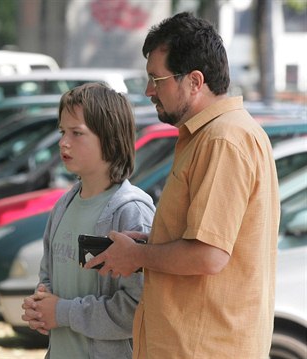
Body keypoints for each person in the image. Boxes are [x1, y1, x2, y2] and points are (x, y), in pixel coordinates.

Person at [86, 12, 280, 358]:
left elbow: (209, 256)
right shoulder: (213, 135)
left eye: (156, 79)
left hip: (203, 349)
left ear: (194, 81)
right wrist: (150, 242)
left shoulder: (223, 139)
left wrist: (138, 255)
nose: (148, 91)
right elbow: (205, 241)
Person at [21, 82, 156, 358]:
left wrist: (62, 312)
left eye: (76, 133)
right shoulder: (63, 205)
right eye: (62, 131)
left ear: (109, 139)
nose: (63, 142)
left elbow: (139, 309)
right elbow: (48, 277)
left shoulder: (130, 211)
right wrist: (41, 305)